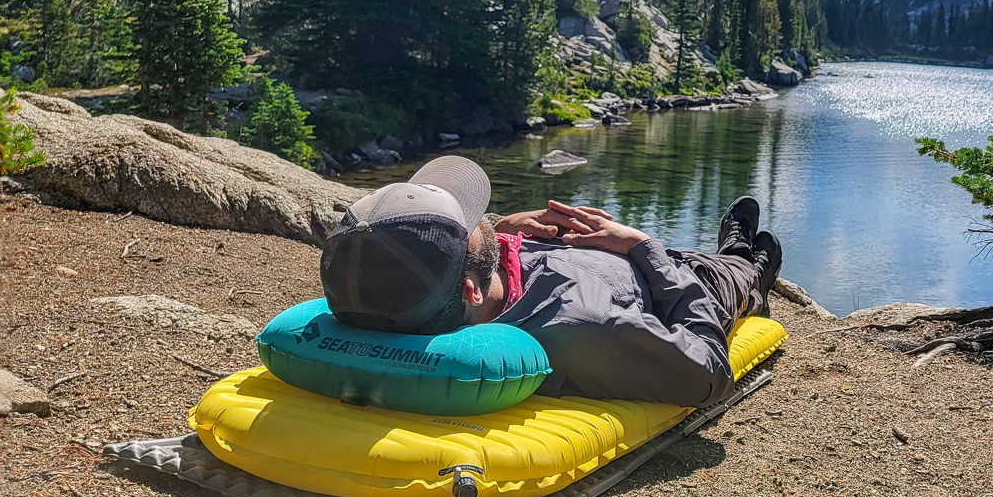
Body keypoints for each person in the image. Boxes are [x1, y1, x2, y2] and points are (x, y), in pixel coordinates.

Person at [320, 155, 782, 407]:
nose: (482, 217)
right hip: (678, 284)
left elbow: (424, 265)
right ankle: (748, 267)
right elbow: (706, 374)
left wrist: (504, 233)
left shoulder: (392, 278)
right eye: (472, 222)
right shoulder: (591, 330)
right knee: (732, 270)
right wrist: (641, 246)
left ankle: (736, 256)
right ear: (471, 289)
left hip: (575, 256)